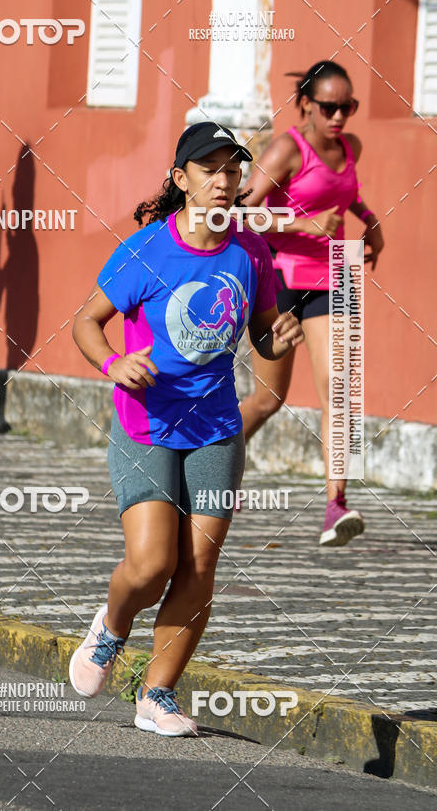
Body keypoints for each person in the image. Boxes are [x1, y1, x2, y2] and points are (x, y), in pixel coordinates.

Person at [70, 122, 304, 736]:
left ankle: (157, 695)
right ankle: (112, 627)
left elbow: (260, 329)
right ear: (182, 180)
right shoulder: (148, 249)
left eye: (233, 170)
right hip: (144, 423)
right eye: (210, 169)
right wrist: (114, 362)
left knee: (199, 569)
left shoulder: (250, 251)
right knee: (150, 565)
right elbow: (87, 323)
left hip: (216, 427)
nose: (225, 181)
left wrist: (275, 338)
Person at [238, 60, 385, 547]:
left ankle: (336, 505)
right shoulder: (286, 149)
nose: (339, 117)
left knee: (339, 389)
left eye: (348, 107)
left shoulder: (351, 147)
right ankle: (210, 464)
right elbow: (241, 215)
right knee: (268, 400)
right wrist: (301, 225)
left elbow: (347, 195)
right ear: (306, 104)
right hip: (281, 278)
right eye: (329, 107)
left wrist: (370, 221)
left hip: (336, 273)